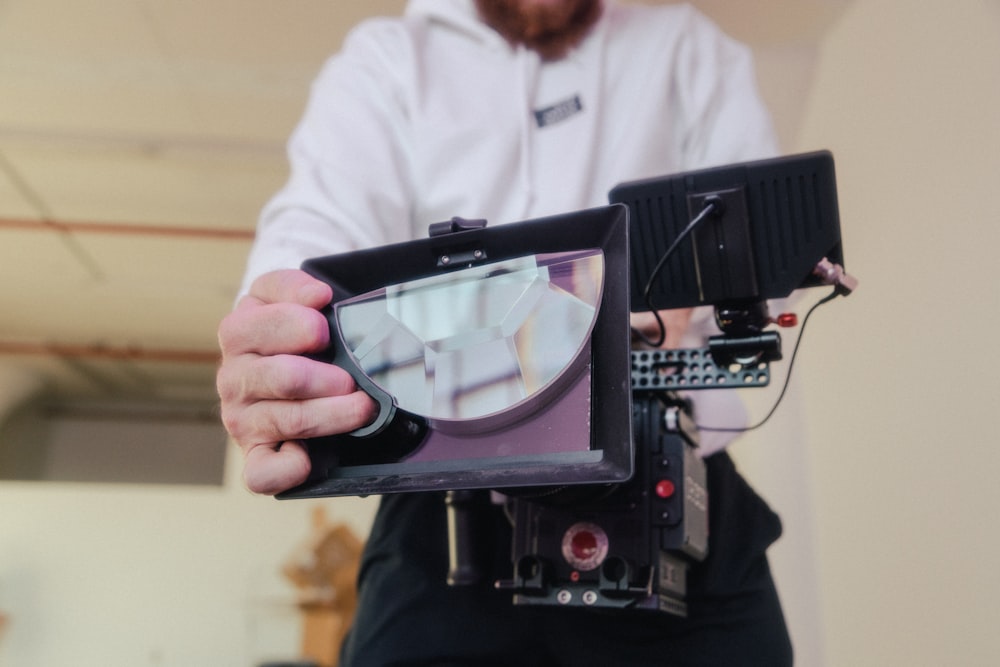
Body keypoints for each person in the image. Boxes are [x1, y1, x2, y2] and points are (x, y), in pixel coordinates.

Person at [217, 0, 793, 664]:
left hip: (677, 494)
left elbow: (750, 249)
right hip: (452, 520)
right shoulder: (390, 59)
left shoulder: (684, 44)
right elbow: (313, 226)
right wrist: (278, 337)